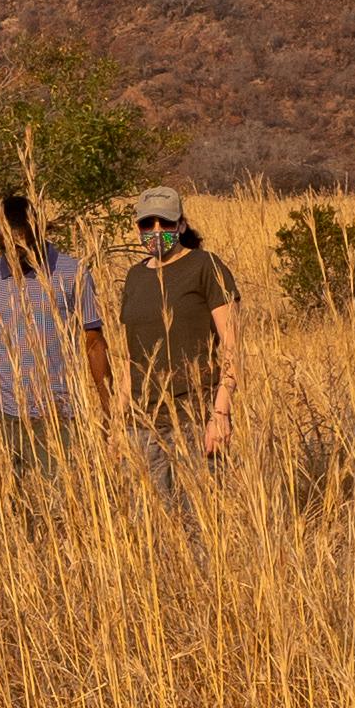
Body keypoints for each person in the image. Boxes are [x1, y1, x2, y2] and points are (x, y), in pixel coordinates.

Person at [0, 190, 108, 473]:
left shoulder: (72, 272)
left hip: (57, 413)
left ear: (38, 233)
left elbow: (93, 341)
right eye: (10, 245)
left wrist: (107, 407)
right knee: (0, 503)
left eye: (25, 244)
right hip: (3, 413)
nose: (18, 254)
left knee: (58, 504)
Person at [113, 186, 242, 486]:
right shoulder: (135, 276)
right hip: (141, 424)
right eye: (148, 223)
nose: (156, 231)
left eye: (166, 223)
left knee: (198, 520)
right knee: (147, 522)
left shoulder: (205, 267)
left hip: (193, 419)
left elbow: (232, 348)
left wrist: (220, 413)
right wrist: (118, 425)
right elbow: (131, 359)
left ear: (181, 225)